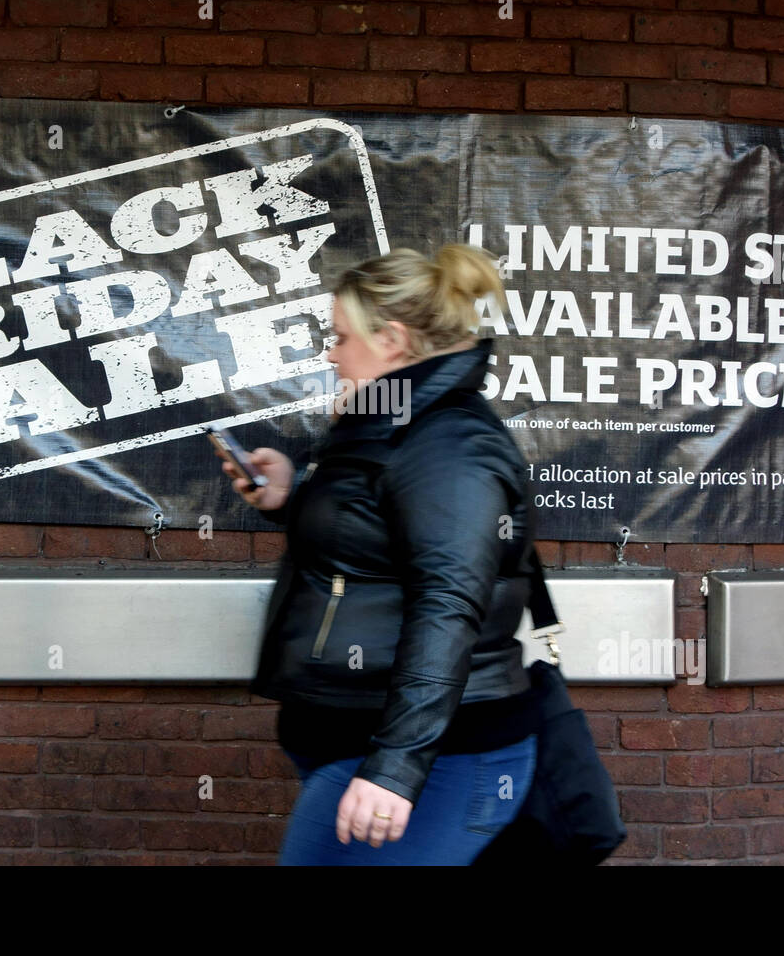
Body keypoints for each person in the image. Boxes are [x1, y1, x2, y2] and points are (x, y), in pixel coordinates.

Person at [216, 243, 543, 865]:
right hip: (362, 742)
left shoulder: (449, 444)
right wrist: (292, 497)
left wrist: (394, 767)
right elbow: (376, 543)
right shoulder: (388, 421)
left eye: (340, 337)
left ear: (391, 340)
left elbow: (448, 604)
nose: (331, 354)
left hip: (436, 757)